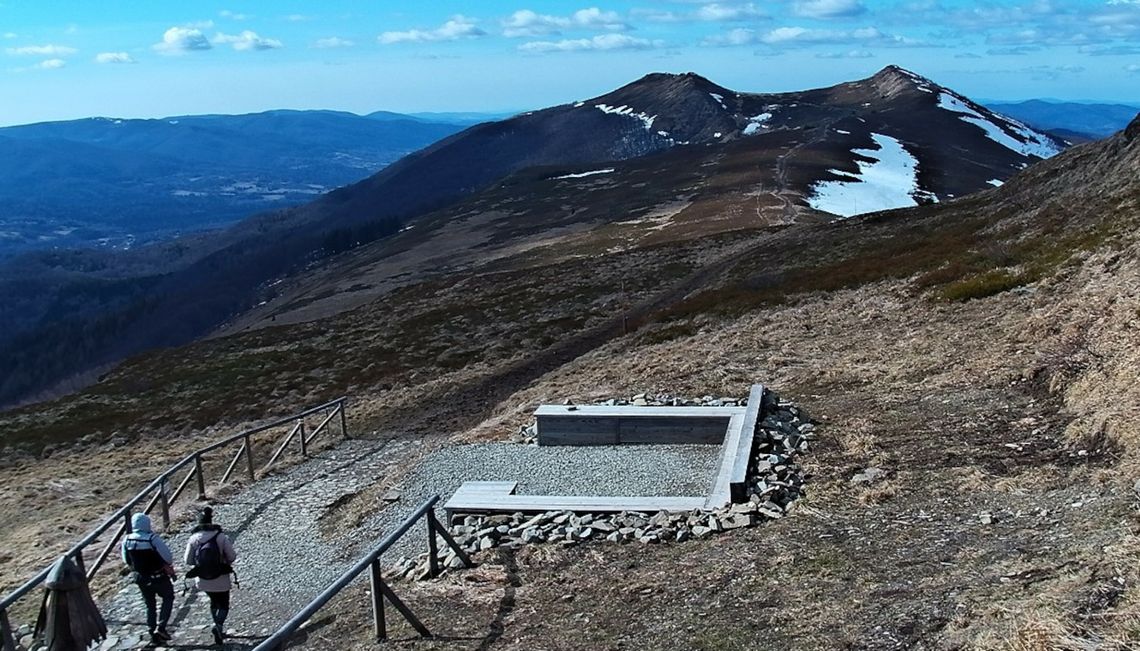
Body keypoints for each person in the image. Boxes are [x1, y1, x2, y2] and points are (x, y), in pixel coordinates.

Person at [184, 507, 237, 646]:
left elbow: (188, 560)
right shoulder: (220, 537)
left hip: (203, 579)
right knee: (224, 603)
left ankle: (216, 624)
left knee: (213, 601)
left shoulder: (193, 539)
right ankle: (218, 626)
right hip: (221, 577)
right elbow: (232, 556)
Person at [121, 513, 175, 645]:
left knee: (149, 605)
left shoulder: (127, 539)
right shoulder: (152, 539)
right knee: (168, 597)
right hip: (158, 576)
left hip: (141, 577)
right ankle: (161, 627)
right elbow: (168, 557)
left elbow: (126, 560)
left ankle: (152, 631)